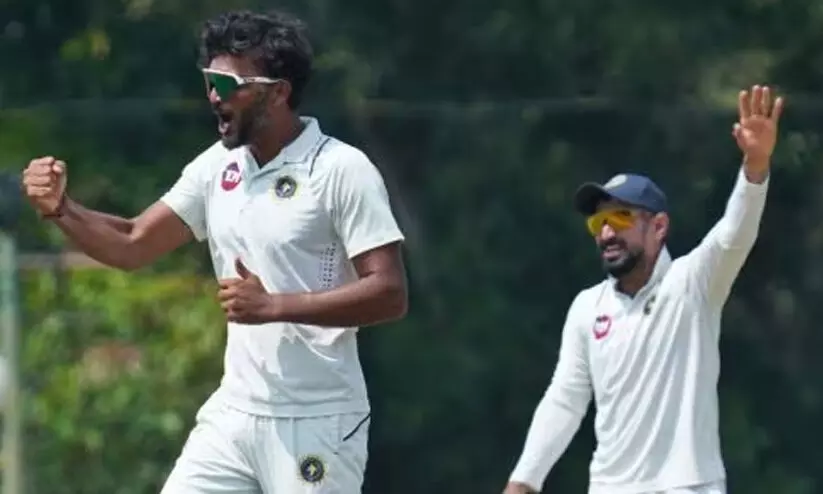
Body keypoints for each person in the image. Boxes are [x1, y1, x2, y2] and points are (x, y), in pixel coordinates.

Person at [22, 9, 408, 494]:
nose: (212, 96)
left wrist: (274, 306)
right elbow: (132, 242)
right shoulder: (217, 167)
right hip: (233, 415)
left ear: (278, 92)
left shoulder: (341, 169)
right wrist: (61, 209)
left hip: (318, 419)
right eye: (209, 81)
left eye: (226, 85)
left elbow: (389, 292)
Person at [503, 85, 784, 494]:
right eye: (598, 223)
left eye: (620, 218)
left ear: (659, 226)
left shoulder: (692, 283)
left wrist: (755, 166)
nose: (606, 233)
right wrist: (523, 482)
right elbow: (565, 399)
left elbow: (734, 234)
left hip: (687, 485)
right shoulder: (587, 308)